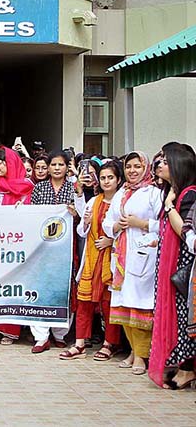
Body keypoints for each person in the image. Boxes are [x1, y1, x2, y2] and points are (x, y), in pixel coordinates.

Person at [102, 151, 162, 376]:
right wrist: (115, 227)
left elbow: (163, 223)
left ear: (145, 168)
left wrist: (141, 223)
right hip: (121, 256)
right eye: (129, 167)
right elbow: (108, 221)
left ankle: (142, 356)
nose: (132, 171)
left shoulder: (153, 193)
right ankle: (133, 351)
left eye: (137, 166)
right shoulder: (120, 193)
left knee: (140, 304)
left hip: (144, 253)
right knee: (123, 304)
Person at [60, 160, 123, 360]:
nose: (106, 181)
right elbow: (82, 231)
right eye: (103, 178)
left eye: (110, 178)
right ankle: (79, 344)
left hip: (112, 259)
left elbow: (127, 228)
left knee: (108, 303)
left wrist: (110, 240)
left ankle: (109, 343)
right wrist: (85, 223)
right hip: (92, 257)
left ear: (118, 180)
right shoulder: (94, 201)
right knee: (84, 301)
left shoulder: (122, 202)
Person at [149, 142, 196, 389]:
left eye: (165, 161)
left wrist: (169, 207)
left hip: (185, 268)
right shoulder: (172, 192)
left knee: (184, 317)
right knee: (177, 316)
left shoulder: (189, 195)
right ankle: (181, 366)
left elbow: (186, 234)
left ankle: (187, 368)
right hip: (171, 265)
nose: (159, 165)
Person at [0, 147, 34, 345]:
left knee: (12, 286)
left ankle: (11, 330)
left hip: (16, 245)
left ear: (11, 163)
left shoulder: (27, 185)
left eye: (1, 163)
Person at [27, 150, 75, 353]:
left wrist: (75, 211)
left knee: (64, 287)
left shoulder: (74, 189)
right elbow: (32, 216)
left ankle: (60, 334)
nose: (56, 168)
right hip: (42, 248)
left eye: (60, 165)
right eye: (53, 165)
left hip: (67, 247)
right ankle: (40, 337)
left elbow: (82, 215)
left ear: (67, 167)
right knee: (41, 287)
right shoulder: (39, 188)